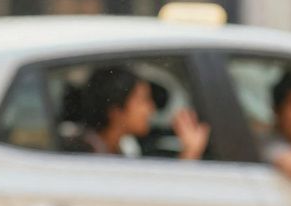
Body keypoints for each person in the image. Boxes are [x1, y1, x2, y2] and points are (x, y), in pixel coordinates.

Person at [62, 65, 209, 160]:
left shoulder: (122, 148)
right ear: (116, 110)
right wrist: (189, 153)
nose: (150, 109)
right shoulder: (86, 157)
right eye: (142, 101)